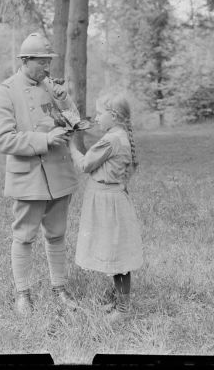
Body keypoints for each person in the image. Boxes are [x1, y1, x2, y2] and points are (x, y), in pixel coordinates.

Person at [0, 32, 81, 316]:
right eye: (42, 62)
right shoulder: (4, 92)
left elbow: (75, 123)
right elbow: (2, 139)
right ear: (26, 61)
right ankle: (23, 294)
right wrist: (43, 140)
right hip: (28, 176)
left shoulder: (53, 88)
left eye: (49, 62)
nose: (47, 68)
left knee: (56, 234)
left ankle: (60, 289)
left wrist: (66, 103)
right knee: (24, 236)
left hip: (59, 173)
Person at [68, 92, 143, 322]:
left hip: (108, 202)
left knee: (118, 256)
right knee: (114, 253)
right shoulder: (119, 136)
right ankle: (119, 301)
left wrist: (71, 143)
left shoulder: (111, 139)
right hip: (111, 200)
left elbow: (85, 164)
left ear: (114, 115)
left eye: (100, 113)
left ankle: (123, 310)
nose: (97, 117)